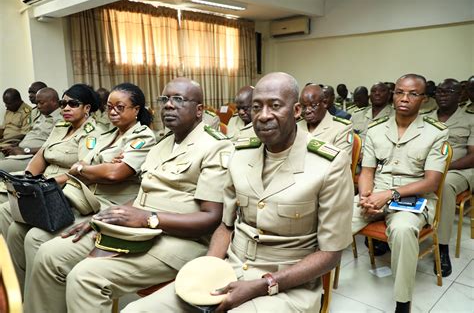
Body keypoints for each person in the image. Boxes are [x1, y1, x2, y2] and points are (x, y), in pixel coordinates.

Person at [124, 72, 353, 313]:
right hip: (229, 269)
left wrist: (263, 285)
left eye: (275, 106)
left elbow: (330, 253)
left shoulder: (329, 164)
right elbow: (226, 226)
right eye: (257, 107)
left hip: (286, 284)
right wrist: (209, 268)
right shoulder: (240, 154)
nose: (264, 116)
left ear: (296, 111)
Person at [24, 77, 233, 313]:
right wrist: (106, 218)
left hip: (180, 240)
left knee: (85, 277)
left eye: (179, 99)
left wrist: (148, 218)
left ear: (199, 110)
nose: (169, 105)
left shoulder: (215, 147)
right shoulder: (162, 144)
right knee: (49, 254)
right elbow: (143, 195)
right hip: (136, 229)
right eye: (164, 99)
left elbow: (212, 217)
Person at [351, 74, 449, 313]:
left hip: (413, 197)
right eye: (399, 92)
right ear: (393, 95)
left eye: (413, 94)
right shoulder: (375, 129)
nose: (404, 98)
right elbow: (367, 171)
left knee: (403, 230)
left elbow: (431, 182)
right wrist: (366, 196)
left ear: (424, 100)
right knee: (334, 220)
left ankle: (403, 302)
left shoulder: (436, 132)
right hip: (375, 194)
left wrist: (389, 194)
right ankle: (314, 284)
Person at [0, 83, 101, 292]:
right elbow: (41, 155)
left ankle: (36, 287)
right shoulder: (61, 127)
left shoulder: (91, 133)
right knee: (8, 220)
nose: (65, 108)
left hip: (63, 188)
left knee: (22, 228)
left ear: (87, 108)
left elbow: (81, 170)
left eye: (73, 104)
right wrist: (28, 178)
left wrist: (47, 184)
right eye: (63, 103)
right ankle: (14, 286)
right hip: (42, 184)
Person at [427, 78, 473, 277]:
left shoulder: (470, 119)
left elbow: (473, 155)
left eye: (449, 91)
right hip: (427, 168)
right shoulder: (425, 118)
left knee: (443, 186)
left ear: (459, 95)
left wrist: (443, 168)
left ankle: (441, 246)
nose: (443, 94)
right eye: (440, 91)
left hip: (459, 170)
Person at [0, 87, 62, 172]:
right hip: (18, 151)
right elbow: (31, 134)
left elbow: (55, 147)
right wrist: (15, 146)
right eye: (37, 103)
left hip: (32, 157)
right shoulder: (41, 115)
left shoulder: (62, 119)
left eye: (41, 103)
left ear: (54, 101)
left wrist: (25, 150)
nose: (38, 106)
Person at [298, 84, 353, 157]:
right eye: (304, 107)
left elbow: (341, 163)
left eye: (313, 105)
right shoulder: (296, 127)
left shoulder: (343, 128)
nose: (307, 111)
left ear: (324, 103)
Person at [0, 88, 32, 153]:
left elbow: (24, 134)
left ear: (17, 101)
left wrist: (4, 140)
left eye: (9, 103)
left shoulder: (27, 112)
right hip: (3, 141)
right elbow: (3, 128)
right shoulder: (9, 110)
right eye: (5, 103)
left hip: (13, 143)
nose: (6, 106)